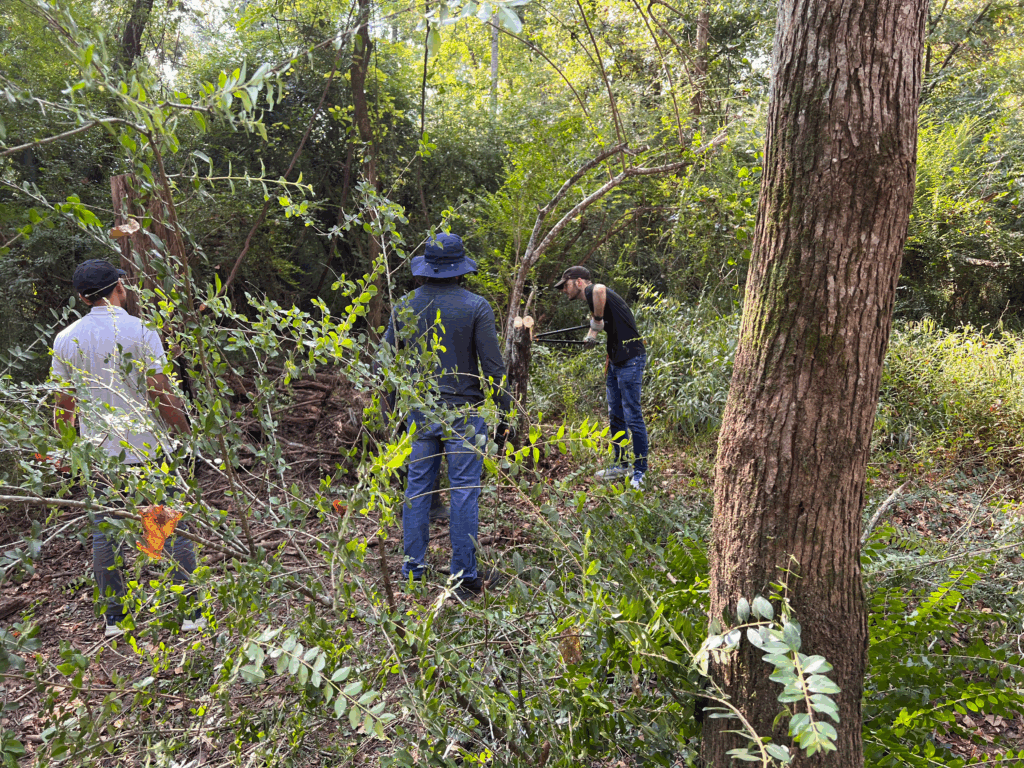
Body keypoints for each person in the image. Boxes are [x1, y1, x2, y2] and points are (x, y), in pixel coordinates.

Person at [51, 259, 202, 638]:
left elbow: (64, 406)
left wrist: (67, 451)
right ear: (119, 287)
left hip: (100, 456)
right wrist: (184, 435)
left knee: (107, 533)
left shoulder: (65, 339)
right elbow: (161, 394)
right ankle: (190, 612)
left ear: (83, 297)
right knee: (167, 524)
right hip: (150, 450)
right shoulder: (141, 331)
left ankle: (116, 620)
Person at [384, 233, 511, 599]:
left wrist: (391, 413)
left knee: (417, 489)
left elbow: (386, 364)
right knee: (464, 492)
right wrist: (506, 414)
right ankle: (464, 578)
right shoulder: (476, 306)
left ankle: (413, 570)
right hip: (463, 414)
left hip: (419, 412)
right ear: (460, 269)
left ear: (426, 267)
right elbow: (493, 368)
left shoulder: (404, 305)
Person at [554, 265, 648, 489]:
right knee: (616, 415)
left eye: (566, 285)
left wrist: (596, 321)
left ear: (578, 282)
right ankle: (621, 465)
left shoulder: (591, 291)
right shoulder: (593, 300)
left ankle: (640, 471)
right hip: (616, 361)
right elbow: (603, 324)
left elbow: (600, 289)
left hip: (630, 359)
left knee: (632, 415)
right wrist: (592, 335)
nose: (564, 290)